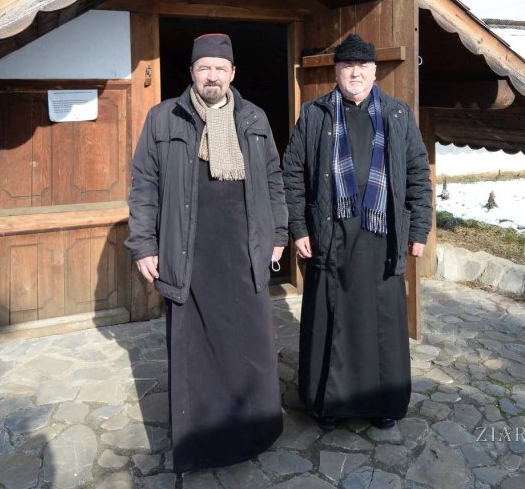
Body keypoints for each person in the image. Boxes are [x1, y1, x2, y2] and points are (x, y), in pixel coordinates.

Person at [125, 33, 287, 472]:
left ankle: (255, 429)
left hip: (244, 249)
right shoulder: (164, 118)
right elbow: (144, 185)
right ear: (192, 73)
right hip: (188, 252)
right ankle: (200, 443)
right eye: (204, 68)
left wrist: (278, 231)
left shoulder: (253, 118)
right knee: (195, 348)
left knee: (249, 342)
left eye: (220, 68)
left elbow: (273, 178)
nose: (212, 76)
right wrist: (143, 244)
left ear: (233, 74)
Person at [283, 32, 432, 430]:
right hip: (329, 238)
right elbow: (292, 174)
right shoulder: (315, 114)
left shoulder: (398, 115)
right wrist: (298, 227)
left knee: (383, 324)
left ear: (374, 71)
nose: (355, 73)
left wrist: (419, 228)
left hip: (382, 240)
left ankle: (384, 404)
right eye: (348, 66)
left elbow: (418, 173)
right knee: (331, 320)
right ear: (336, 71)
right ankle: (327, 405)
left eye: (363, 66)